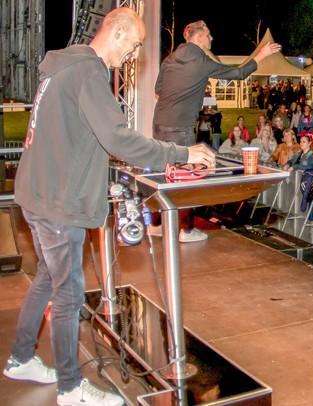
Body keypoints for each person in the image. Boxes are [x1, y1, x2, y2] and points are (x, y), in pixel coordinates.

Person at [3, 8, 215, 406]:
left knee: (48, 279)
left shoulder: (63, 66)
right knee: (68, 293)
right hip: (57, 202)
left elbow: (79, 134)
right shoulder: (88, 72)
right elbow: (118, 139)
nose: (133, 54)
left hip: (38, 193)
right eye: (133, 44)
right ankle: (70, 388)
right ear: (116, 32)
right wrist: (182, 152)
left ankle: (20, 359)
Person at [151, 19, 280, 242]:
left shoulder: (170, 58)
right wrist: (261, 54)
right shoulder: (200, 60)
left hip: (159, 126)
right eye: (208, 34)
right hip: (180, 130)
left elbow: (158, 90)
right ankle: (185, 230)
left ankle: (157, 225)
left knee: (164, 176)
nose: (212, 38)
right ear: (198, 36)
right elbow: (238, 74)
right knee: (186, 180)